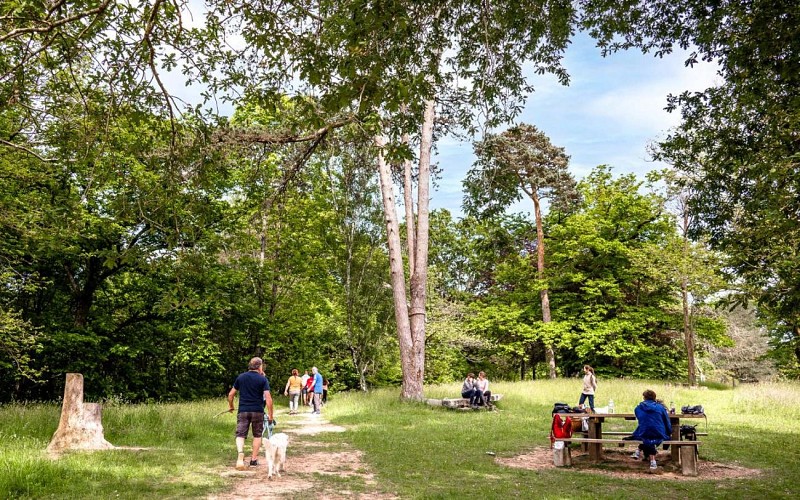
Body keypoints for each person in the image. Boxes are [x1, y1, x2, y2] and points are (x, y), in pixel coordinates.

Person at [227, 357, 275, 470]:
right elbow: (268, 398)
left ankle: (240, 454)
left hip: (243, 410)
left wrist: (231, 406)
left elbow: (230, 395)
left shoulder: (241, 377)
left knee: (240, 434)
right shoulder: (262, 379)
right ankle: (253, 460)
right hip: (257, 411)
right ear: (260, 366)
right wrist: (271, 415)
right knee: (257, 435)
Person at [630, 389, 672, 470]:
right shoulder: (660, 407)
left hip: (644, 433)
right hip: (658, 433)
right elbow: (667, 421)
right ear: (654, 397)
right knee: (652, 432)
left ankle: (639, 452)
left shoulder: (638, 408)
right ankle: (652, 461)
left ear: (644, 398)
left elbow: (643, 420)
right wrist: (669, 432)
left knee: (645, 433)